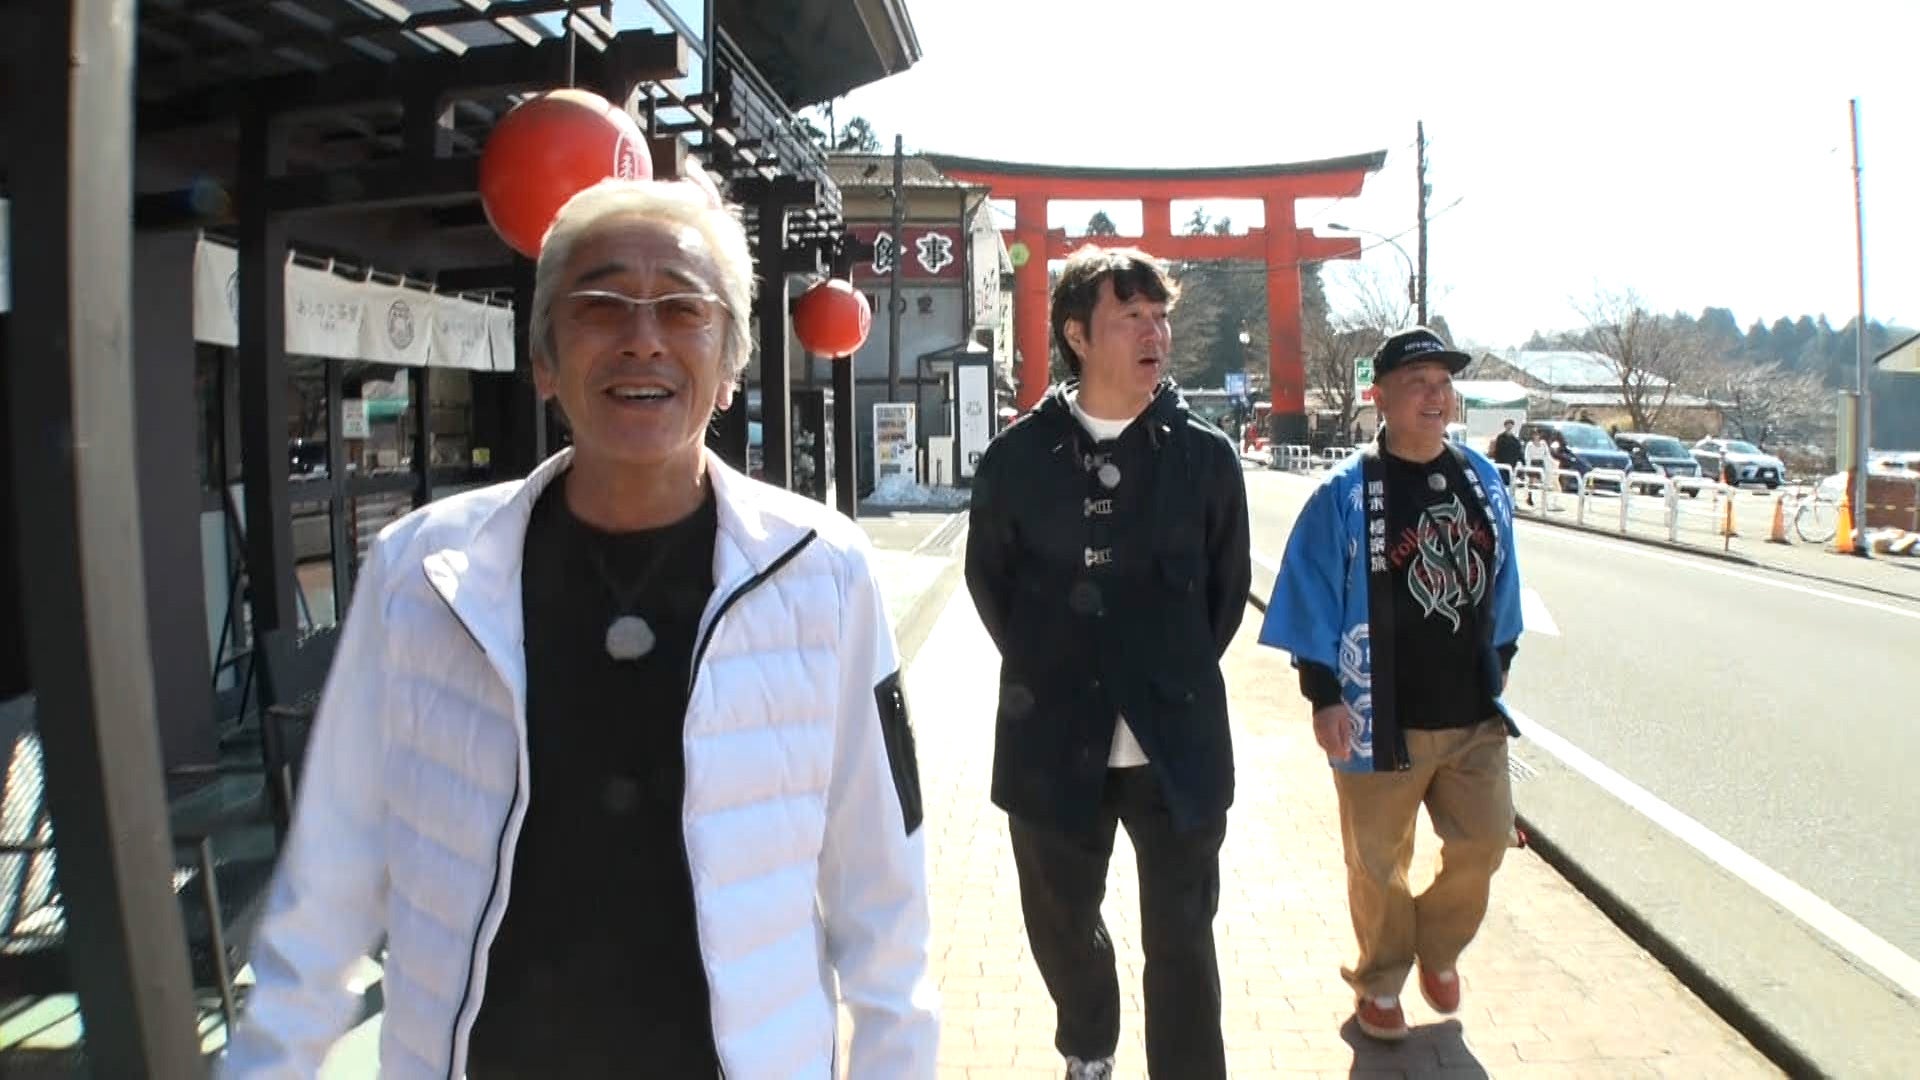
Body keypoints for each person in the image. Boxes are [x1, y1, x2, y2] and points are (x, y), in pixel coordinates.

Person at [221, 179, 938, 1078]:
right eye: (600, 304)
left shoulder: (823, 574)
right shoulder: (424, 572)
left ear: (729, 367)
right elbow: (329, 872)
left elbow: (886, 900)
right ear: (544, 360)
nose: (643, 338)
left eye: (683, 308)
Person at [965, 245, 1251, 1079]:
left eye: (1160, 317)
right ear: (1077, 335)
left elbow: (1225, 593)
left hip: (1177, 740)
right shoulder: (1019, 459)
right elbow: (992, 584)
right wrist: (1061, 667)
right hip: (1052, 734)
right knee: (1059, 922)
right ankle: (1089, 1042)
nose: (1154, 333)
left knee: (1184, 938)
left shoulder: (1204, 458)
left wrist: (1160, 671)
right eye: (1130, 317)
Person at [1258, 326, 1524, 1043]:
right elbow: (1311, 595)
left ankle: (1436, 944)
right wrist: (1323, 697)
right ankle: (1380, 982)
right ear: (1379, 396)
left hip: (1471, 712)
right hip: (1376, 713)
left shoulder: (1483, 481)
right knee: (1377, 862)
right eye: (1417, 384)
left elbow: (1505, 585)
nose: (1435, 397)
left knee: (1486, 841)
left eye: (1443, 384)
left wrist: (1502, 657)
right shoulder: (1344, 494)